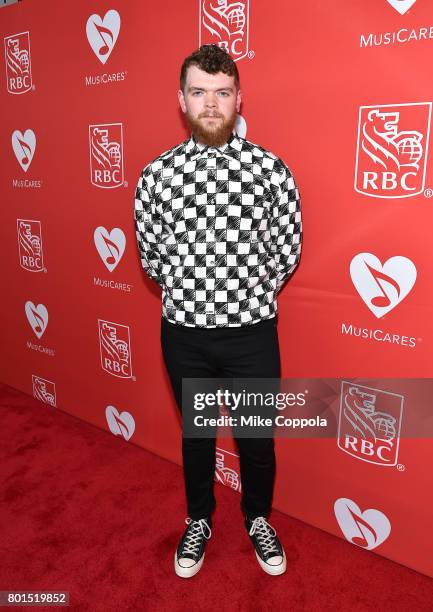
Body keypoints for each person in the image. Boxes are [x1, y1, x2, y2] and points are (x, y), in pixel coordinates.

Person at [134, 44, 302, 578]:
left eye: (222, 93)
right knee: (198, 437)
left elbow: (287, 247)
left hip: (252, 335)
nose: (211, 104)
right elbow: (152, 258)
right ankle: (199, 520)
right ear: (181, 100)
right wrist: (197, 296)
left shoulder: (272, 171)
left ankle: (257, 516)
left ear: (238, 99)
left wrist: (244, 296)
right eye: (199, 93)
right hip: (185, 335)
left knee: (256, 440)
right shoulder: (156, 176)